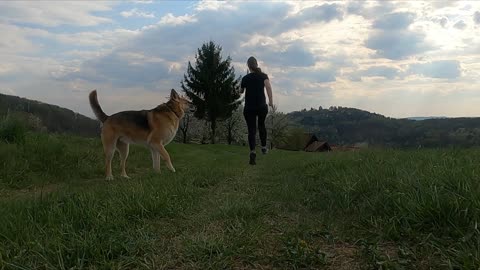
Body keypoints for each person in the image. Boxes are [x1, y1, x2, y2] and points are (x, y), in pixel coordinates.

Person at [240, 56, 273, 165]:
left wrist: (237, 90)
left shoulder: (245, 78)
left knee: (251, 130)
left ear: (248, 66)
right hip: (261, 106)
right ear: (257, 64)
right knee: (261, 125)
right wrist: (271, 101)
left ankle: (253, 151)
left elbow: (240, 92)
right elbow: (268, 87)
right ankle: (263, 147)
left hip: (249, 108)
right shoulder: (263, 76)